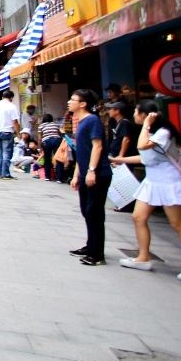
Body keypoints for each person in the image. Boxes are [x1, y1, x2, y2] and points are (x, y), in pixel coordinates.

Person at [110, 101, 181, 281]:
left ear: (144, 115)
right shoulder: (153, 133)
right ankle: (143, 257)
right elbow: (145, 157)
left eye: (137, 112)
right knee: (138, 217)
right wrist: (120, 159)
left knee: (178, 224)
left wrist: (145, 126)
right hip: (152, 180)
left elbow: (142, 146)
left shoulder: (163, 133)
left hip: (168, 181)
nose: (134, 115)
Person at [67, 89, 112, 266]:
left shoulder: (92, 121)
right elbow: (82, 152)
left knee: (95, 212)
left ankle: (97, 253)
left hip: (98, 174)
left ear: (83, 104)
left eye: (73, 99)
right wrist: (77, 175)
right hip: (86, 174)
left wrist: (92, 170)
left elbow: (97, 146)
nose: (70, 102)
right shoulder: (81, 122)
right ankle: (90, 245)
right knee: (87, 211)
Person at [0, 90, 21, 180]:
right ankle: (5, 173)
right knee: (7, 152)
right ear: (11, 98)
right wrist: (18, 133)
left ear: (2, 97)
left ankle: (0, 173)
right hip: (7, 131)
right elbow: (14, 121)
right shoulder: (11, 106)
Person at [38, 114, 62, 183]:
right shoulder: (56, 124)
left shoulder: (41, 126)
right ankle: (59, 178)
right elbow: (61, 131)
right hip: (56, 140)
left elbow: (39, 139)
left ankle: (47, 177)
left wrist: (40, 147)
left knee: (47, 158)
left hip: (46, 141)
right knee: (58, 158)